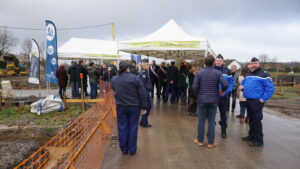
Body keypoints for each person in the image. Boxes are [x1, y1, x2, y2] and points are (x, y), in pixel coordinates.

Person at [111, 62, 147, 155]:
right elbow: (142, 94)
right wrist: (144, 107)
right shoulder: (135, 78)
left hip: (121, 106)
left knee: (122, 127)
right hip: (134, 106)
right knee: (133, 127)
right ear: (128, 68)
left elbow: (114, 89)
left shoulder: (115, 79)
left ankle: (124, 149)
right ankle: (132, 149)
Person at [193, 55, 228, 148]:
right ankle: (210, 143)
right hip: (213, 100)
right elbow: (225, 84)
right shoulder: (218, 73)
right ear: (213, 63)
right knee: (212, 121)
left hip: (202, 100)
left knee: (201, 120)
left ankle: (200, 141)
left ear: (204, 63)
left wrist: (198, 95)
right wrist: (222, 91)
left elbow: (194, 87)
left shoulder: (199, 73)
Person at [240, 57, 274, 147]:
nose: (253, 64)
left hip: (257, 101)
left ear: (259, 64)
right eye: (252, 63)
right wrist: (242, 87)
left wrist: (263, 99)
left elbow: (270, 88)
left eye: (255, 63)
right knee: (251, 119)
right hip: (248, 99)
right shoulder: (248, 74)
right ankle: (251, 136)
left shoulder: (263, 74)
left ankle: (259, 140)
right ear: (250, 64)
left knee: (256, 120)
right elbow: (244, 83)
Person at [214, 54, 234, 138]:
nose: (218, 62)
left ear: (223, 62)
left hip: (223, 97)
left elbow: (231, 83)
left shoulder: (227, 71)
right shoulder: (211, 69)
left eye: (220, 60)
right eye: (217, 60)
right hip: (213, 96)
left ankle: (223, 131)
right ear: (214, 61)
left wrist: (227, 92)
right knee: (211, 115)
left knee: (223, 114)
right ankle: (211, 130)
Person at [139, 59, 153, 127]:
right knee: (147, 108)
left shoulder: (145, 72)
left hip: (146, 92)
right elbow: (141, 85)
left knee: (147, 108)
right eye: (148, 64)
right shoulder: (143, 73)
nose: (149, 66)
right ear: (145, 65)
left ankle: (143, 121)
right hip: (145, 93)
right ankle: (144, 122)